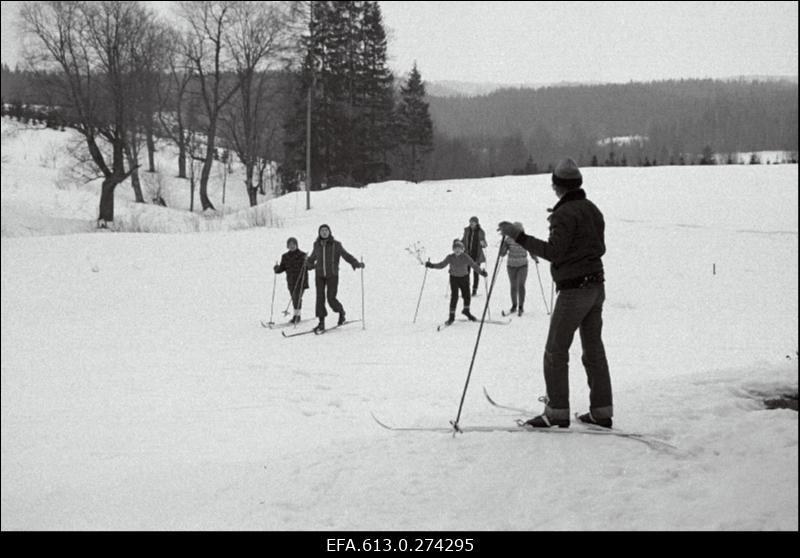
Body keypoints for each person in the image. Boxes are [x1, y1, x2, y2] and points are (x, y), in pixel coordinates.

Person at [498, 158, 613, 429]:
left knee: (555, 352)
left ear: (558, 186)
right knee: (594, 350)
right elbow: (598, 247)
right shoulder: (592, 210)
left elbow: (555, 252)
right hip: (597, 287)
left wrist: (519, 237)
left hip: (574, 291)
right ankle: (602, 411)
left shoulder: (564, 214)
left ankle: (557, 411)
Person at [305, 224, 364, 333]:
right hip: (319, 275)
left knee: (331, 298)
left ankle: (341, 312)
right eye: (322, 230)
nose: (324, 232)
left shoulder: (336, 245)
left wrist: (355, 263)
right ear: (319, 233)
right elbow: (312, 258)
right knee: (320, 298)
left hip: (332, 275)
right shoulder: (316, 245)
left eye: (326, 230)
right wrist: (308, 264)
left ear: (329, 232)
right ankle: (321, 322)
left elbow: (346, 255)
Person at [426, 239, 488, 325]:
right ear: (453, 249)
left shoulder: (465, 257)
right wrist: (432, 265)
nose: (457, 250)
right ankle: (451, 317)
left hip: (464, 278)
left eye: (459, 248)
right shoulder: (450, 257)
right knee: (454, 297)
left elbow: (474, 265)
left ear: (463, 249)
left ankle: (466, 311)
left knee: (467, 295)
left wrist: (482, 272)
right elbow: (441, 265)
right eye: (455, 248)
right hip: (454, 278)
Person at [498, 222, 537, 317]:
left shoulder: (525, 239)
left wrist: (534, 257)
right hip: (511, 265)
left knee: (521, 285)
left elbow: (531, 249)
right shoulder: (508, 240)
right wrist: (503, 244)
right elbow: (502, 254)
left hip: (522, 265)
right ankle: (514, 305)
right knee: (513, 286)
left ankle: (521, 306)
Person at [273, 237, 309, 324]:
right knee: (294, 298)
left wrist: (308, 263)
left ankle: (297, 316)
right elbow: (282, 268)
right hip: (291, 281)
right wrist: (276, 269)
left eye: (293, 244)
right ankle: (296, 315)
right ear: (287, 246)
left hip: (301, 281)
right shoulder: (285, 256)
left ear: (297, 245)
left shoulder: (303, 255)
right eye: (290, 245)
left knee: (297, 298)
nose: (292, 246)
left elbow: (309, 267)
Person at [462, 216, 487, 296]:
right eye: (470, 222)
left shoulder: (480, 232)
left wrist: (483, 243)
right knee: (466, 273)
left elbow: (484, 244)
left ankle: (474, 290)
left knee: (476, 273)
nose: (471, 223)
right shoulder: (466, 230)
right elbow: (463, 240)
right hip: (467, 255)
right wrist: (458, 243)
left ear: (477, 223)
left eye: (473, 222)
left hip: (477, 255)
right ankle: (466, 289)